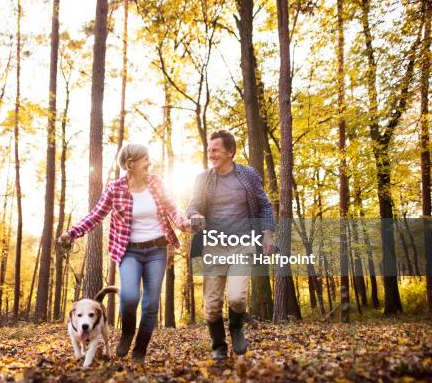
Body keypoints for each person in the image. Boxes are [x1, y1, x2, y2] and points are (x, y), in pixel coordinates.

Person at [59, 144, 190, 363]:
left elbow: (172, 208)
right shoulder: (115, 189)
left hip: (157, 249)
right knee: (129, 297)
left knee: (150, 304)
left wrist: (184, 222)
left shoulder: (156, 183)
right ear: (131, 164)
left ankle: (140, 348)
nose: (149, 162)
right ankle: (128, 331)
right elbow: (95, 215)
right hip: (129, 251)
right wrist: (72, 232)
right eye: (145, 159)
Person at [186, 130, 276, 360]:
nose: (210, 154)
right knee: (213, 304)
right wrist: (195, 214)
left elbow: (264, 205)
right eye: (209, 149)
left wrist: (268, 233)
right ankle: (218, 345)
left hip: (242, 244)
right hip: (213, 246)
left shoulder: (248, 175)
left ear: (230, 152)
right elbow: (193, 206)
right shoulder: (202, 178)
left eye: (215, 150)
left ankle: (236, 327)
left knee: (237, 297)